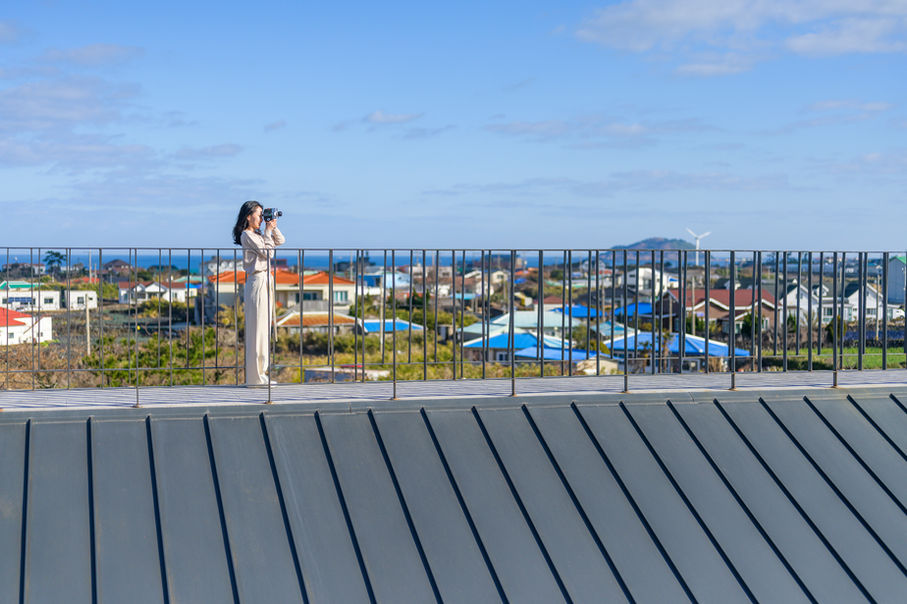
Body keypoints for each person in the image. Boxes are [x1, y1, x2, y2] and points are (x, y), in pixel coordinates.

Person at [232, 200, 285, 386]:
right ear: (248, 216)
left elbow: (280, 242)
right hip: (257, 280)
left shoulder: (258, 234)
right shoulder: (247, 235)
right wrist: (268, 232)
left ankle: (261, 374)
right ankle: (255, 377)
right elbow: (268, 253)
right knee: (257, 330)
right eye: (259, 214)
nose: (262, 218)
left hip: (264, 280)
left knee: (264, 329)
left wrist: (272, 227)